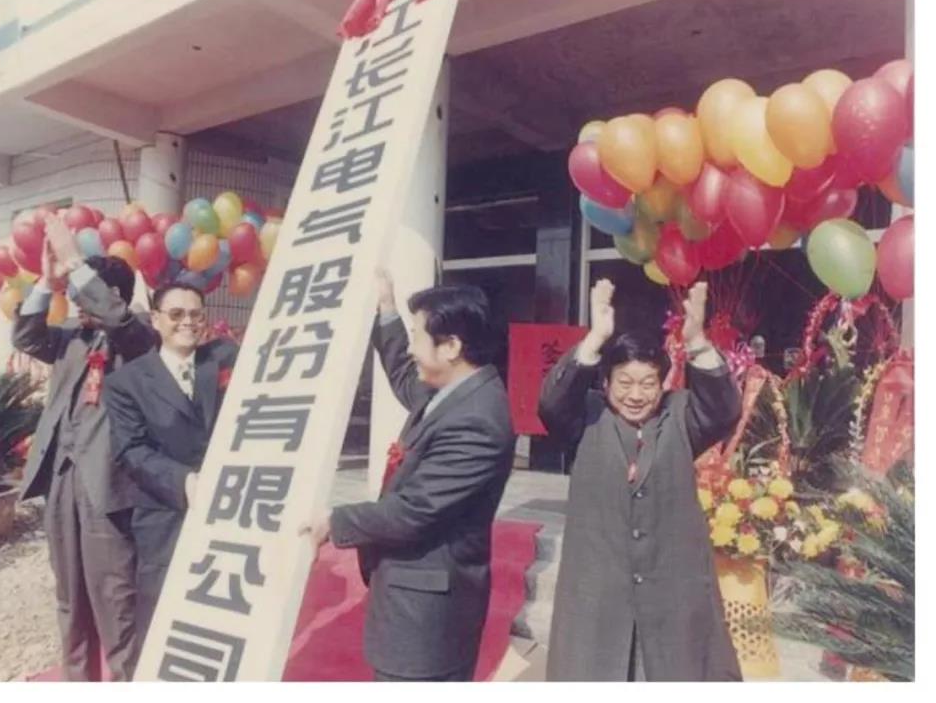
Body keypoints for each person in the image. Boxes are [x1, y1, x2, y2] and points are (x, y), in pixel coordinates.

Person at [301, 270, 515, 682]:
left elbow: (414, 511)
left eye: (417, 336)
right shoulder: (452, 392)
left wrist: (334, 521)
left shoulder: (478, 419)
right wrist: (387, 308)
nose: (413, 348)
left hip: (426, 623)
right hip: (413, 609)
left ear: (451, 346)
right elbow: (404, 371)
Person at [538, 278, 742, 681]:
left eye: (648, 384)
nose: (636, 395)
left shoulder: (680, 414)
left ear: (663, 384)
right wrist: (596, 337)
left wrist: (697, 342)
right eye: (625, 383)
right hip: (599, 596)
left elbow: (723, 410)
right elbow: (551, 403)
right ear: (606, 383)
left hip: (670, 594)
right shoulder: (586, 417)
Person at [13, 215, 157, 681]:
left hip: (108, 489)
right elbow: (25, 335)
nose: (76, 302)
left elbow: (120, 321)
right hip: (62, 480)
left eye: (84, 292)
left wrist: (76, 264)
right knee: (70, 601)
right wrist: (46, 280)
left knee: (117, 605)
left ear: (113, 295)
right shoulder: (69, 339)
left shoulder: (139, 336)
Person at [104, 284, 238, 648]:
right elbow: (132, 450)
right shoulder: (126, 382)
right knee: (162, 616)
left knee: (221, 613)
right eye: (176, 314)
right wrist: (184, 481)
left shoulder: (224, 358)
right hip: (164, 514)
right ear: (156, 319)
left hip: (227, 511)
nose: (187, 322)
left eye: (196, 314)